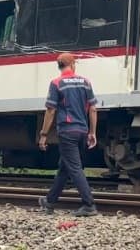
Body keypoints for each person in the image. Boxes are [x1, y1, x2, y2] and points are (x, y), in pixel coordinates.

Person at [37, 53, 98, 217]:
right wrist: (92, 132)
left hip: (67, 132)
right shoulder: (85, 82)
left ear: (59, 66)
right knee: (65, 168)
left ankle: (89, 205)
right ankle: (49, 201)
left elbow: (51, 110)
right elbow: (92, 109)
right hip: (82, 131)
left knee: (74, 168)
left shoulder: (56, 83)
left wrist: (43, 134)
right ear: (72, 64)